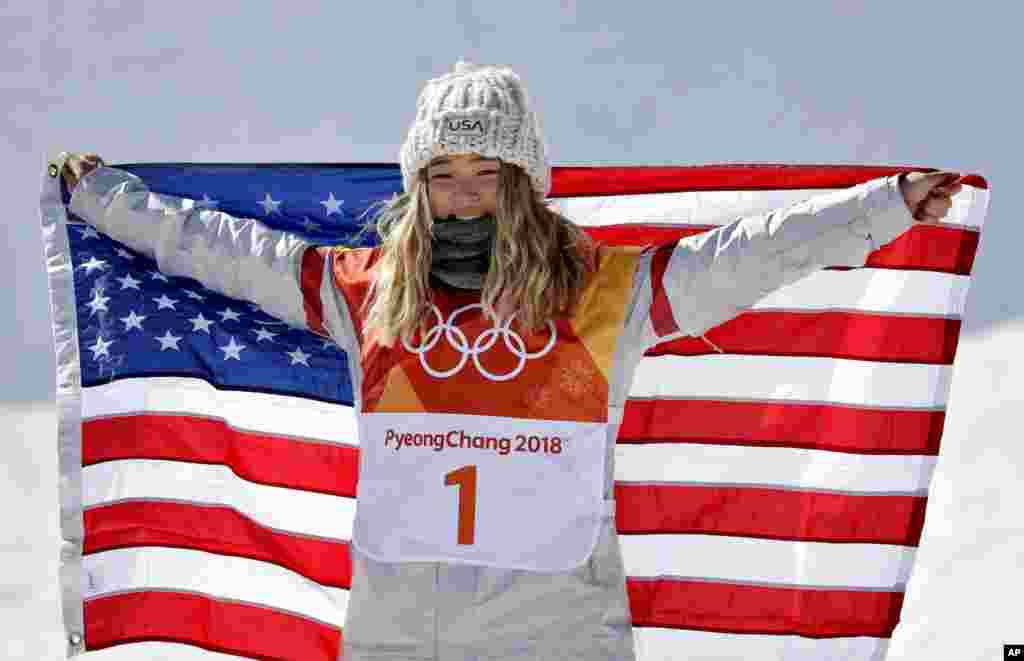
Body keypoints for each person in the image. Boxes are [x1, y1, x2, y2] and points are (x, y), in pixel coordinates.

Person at [59, 61, 961, 661]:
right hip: (399, 641)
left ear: (524, 184)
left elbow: (743, 255)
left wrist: (883, 208)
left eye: (487, 175)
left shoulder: (606, 292)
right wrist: (105, 201)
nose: (463, 198)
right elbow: (226, 251)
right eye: (444, 174)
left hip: (559, 639)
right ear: (416, 183)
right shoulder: (367, 292)